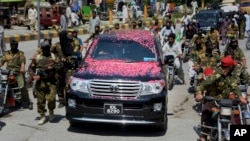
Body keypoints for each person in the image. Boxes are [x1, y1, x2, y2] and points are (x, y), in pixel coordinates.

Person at [195, 56, 247, 141]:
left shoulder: (230, 76)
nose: (234, 67)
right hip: (212, 100)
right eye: (233, 65)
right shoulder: (216, 75)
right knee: (205, 113)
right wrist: (199, 94)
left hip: (225, 102)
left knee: (234, 120)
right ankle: (203, 135)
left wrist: (241, 98)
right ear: (230, 66)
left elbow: (234, 86)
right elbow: (203, 85)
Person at [0, 39, 33, 109]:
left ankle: (28, 101)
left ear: (17, 45)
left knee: (22, 86)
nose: (13, 46)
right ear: (10, 45)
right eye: (12, 45)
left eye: (15, 45)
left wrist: (22, 69)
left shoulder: (20, 53)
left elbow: (22, 63)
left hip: (18, 73)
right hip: (8, 73)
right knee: (2, 84)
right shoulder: (6, 53)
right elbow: (1, 62)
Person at [32, 41, 57, 125]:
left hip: (51, 82)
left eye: (47, 48)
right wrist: (34, 76)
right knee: (40, 101)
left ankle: (51, 111)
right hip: (41, 82)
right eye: (44, 49)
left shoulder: (53, 56)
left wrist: (52, 67)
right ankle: (42, 116)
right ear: (42, 49)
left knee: (51, 99)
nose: (46, 50)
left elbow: (59, 65)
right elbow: (31, 68)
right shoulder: (38, 57)